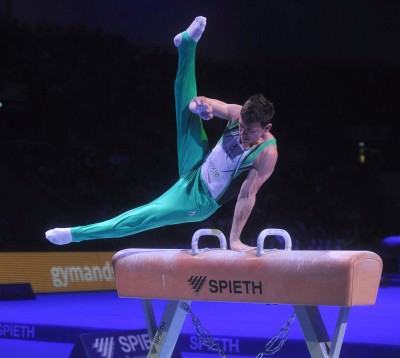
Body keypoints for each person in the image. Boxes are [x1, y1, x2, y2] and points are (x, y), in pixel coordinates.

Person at [45, 16, 278, 251]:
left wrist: (235, 240)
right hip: (198, 166)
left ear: (266, 129)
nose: (242, 132)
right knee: (187, 107)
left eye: (250, 131)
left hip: (200, 200)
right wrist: (200, 106)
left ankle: (76, 234)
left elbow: (247, 196)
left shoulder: (266, 154)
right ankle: (187, 44)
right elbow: (205, 102)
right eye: (241, 126)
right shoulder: (239, 114)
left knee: (148, 215)